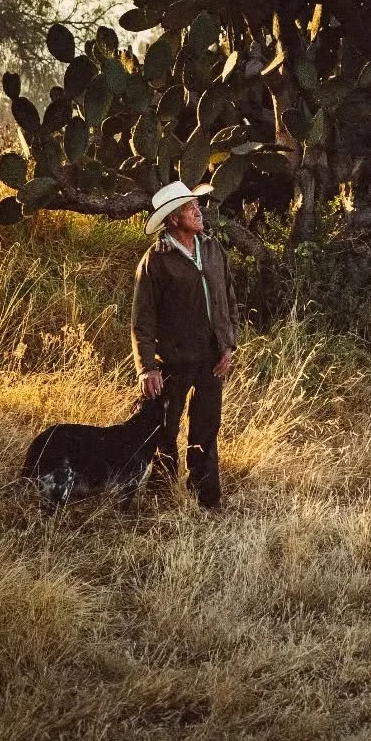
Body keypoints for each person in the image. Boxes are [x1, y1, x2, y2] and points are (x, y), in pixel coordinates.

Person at [131, 180, 239, 511]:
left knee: (206, 427)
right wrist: (147, 367)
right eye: (190, 208)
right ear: (174, 219)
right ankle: (163, 498)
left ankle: (206, 500)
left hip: (211, 357)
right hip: (172, 360)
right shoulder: (156, 260)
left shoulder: (212, 248)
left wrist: (229, 344)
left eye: (196, 205)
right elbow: (142, 320)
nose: (198, 210)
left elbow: (228, 298)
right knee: (165, 429)